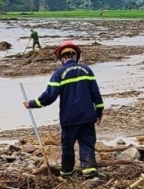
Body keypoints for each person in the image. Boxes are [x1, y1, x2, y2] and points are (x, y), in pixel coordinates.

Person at [24, 41, 104, 178]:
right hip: (87, 116)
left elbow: (49, 96)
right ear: (75, 56)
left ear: (62, 58)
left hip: (69, 117)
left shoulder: (59, 73)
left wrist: (31, 103)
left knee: (68, 145)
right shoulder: (87, 71)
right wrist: (99, 112)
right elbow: (96, 94)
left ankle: (66, 172)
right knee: (87, 143)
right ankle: (89, 170)